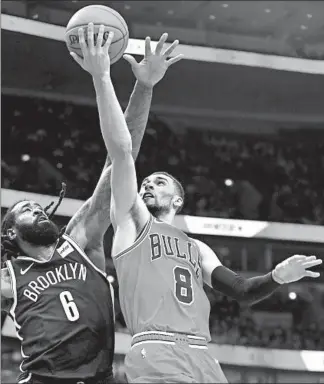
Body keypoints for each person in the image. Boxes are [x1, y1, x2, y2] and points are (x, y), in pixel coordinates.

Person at [72, 25, 323, 383]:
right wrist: (108, 79)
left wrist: (278, 277)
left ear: (177, 199)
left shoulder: (197, 248)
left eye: (158, 183)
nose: (147, 185)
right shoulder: (132, 221)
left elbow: (241, 291)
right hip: (155, 349)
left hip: (204, 357)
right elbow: (122, 151)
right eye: (145, 182)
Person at [1, 24, 183, 384]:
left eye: (37, 207)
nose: (36, 209)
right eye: (24, 209)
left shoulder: (81, 241)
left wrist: (144, 86)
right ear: (9, 232)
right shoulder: (8, 278)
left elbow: (120, 158)